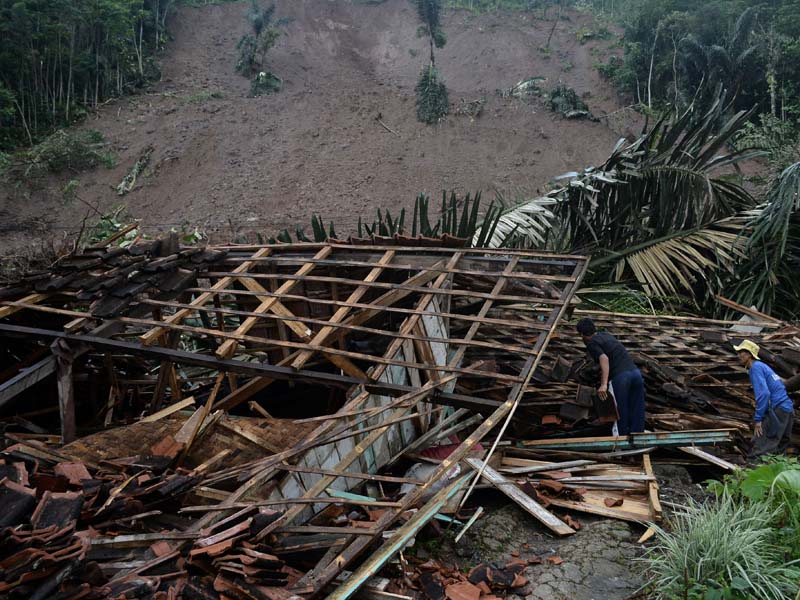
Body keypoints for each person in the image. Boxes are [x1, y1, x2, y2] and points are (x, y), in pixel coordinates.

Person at [576, 317, 645, 435]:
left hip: (621, 377)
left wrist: (603, 384)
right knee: (637, 408)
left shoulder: (591, 343)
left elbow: (604, 358)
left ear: (582, 334)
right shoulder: (607, 335)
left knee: (618, 411)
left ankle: (620, 446)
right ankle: (637, 438)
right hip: (636, 374)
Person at [734, 340, 795, 457]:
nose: (738, 355)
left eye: (741, 352)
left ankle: (753, 473)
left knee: (761, 448)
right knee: (779, 449)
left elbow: (763, 394)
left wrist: (758, 419)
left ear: (749, 354)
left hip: (777, 409)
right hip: (787, 408)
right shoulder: (763, 366)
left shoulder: (755, 368)